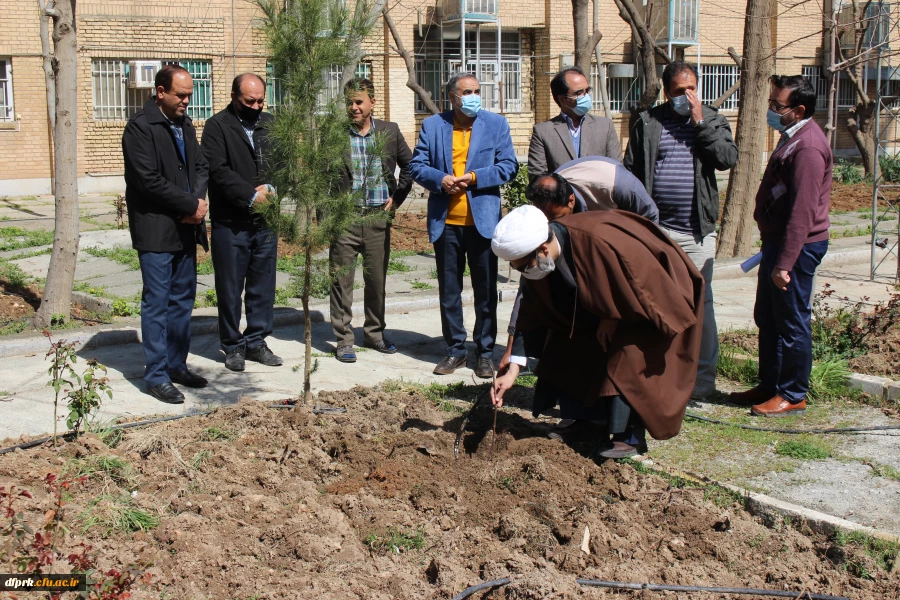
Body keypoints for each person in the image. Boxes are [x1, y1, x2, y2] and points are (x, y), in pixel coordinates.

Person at [490, 206, 704, 457]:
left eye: (522, 266)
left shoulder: (600, 242)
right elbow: (533, 313)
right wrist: (514, 368)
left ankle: (630, 437)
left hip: (649, 306)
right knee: (565, 338)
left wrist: (612, 317)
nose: (522, 273)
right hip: (602, 311)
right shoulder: (541, 262)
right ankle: (586, 423)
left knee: (627, 353)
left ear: (543, 249)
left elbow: (642, 290)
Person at [624, 60, 738, 400]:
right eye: (678, 91)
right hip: (657, 231)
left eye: (691, 89)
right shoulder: (648, 122)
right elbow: (631, 172)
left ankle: (702, 380)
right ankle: (664, 373)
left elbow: (726, 158)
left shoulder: (713, 118)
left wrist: (700, 122)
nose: (686, 97)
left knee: (702, 305)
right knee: (655, 303)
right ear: (665, 89)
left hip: (696, 233)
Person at [729, 75, 831, 417]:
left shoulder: (809, 148)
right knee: (768, 317)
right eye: (771, 103)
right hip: (777, 242)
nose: (771, 111)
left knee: (791, 321)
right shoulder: (791, 137)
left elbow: (803, 211)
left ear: (799, 110)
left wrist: (785, 263)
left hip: (797, 248)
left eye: (777, 106)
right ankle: (769, 384)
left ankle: (793, 393)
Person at [497, 158, 660, 371]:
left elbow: (649, 230)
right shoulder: (548, 196)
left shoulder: (616, 187)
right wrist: (513, 350)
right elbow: (528, 291)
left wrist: (613, 313)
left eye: (557, 219)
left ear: (571, 201)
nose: (554, 228)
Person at [409, 72, 518, 378]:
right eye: (466, 92)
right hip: (446, 223)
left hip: (482, 223)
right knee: (449, 291)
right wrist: (439, 179)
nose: (473, 96)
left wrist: (473, 178)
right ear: (452, 98)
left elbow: (508, 166)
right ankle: (455, 350)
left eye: (476, 91)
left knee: (485, 291)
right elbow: (417, 165)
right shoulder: (433, 125)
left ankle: (484, 352)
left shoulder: (495, 124)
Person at [122, 64, 209, 404]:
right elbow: (148, 180)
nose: (187, 101)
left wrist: (198, 202)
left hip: (187, 229)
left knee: (182, 301)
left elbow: (200, 166)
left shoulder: (184, 125)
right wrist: (189, 204)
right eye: (181, 95)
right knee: (157, 304)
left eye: (189, 95)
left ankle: (176, 364)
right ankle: (156, 375)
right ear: (160, 92)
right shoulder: (140, 128)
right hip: (157, 230)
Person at [201, 73, 283, 372]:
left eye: (261, 100)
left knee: (263, 285)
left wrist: (271, 190)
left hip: (265, 221)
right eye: (250, 101)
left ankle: (257, 341)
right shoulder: (217, 127)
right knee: (230, 287)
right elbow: (218, 171)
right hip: (231, 221)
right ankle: (233, 345)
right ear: (235, 97)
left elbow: (284, 163)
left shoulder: (270, 124)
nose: (257, 105)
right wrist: (250, 196)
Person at [330, 78, 413, 363]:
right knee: (342, 281)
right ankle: (343, 340)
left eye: (359, 102)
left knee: (375, 280)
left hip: (378, 217)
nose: (353, 108)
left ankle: (374, 334)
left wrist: (397, 198)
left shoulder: (389, 131)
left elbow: (410, 166)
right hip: (346, 219)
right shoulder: (335, 133)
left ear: (372, 102)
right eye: (349, 102)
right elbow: (321, 178)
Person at [528, 66, 621, 180]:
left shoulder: (605, 126)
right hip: (561, 196)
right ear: (562, 99)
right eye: (579, 93)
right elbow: (538, 177)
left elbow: (617, 171)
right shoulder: (543, 131)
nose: (586, 96)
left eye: (587, 91)